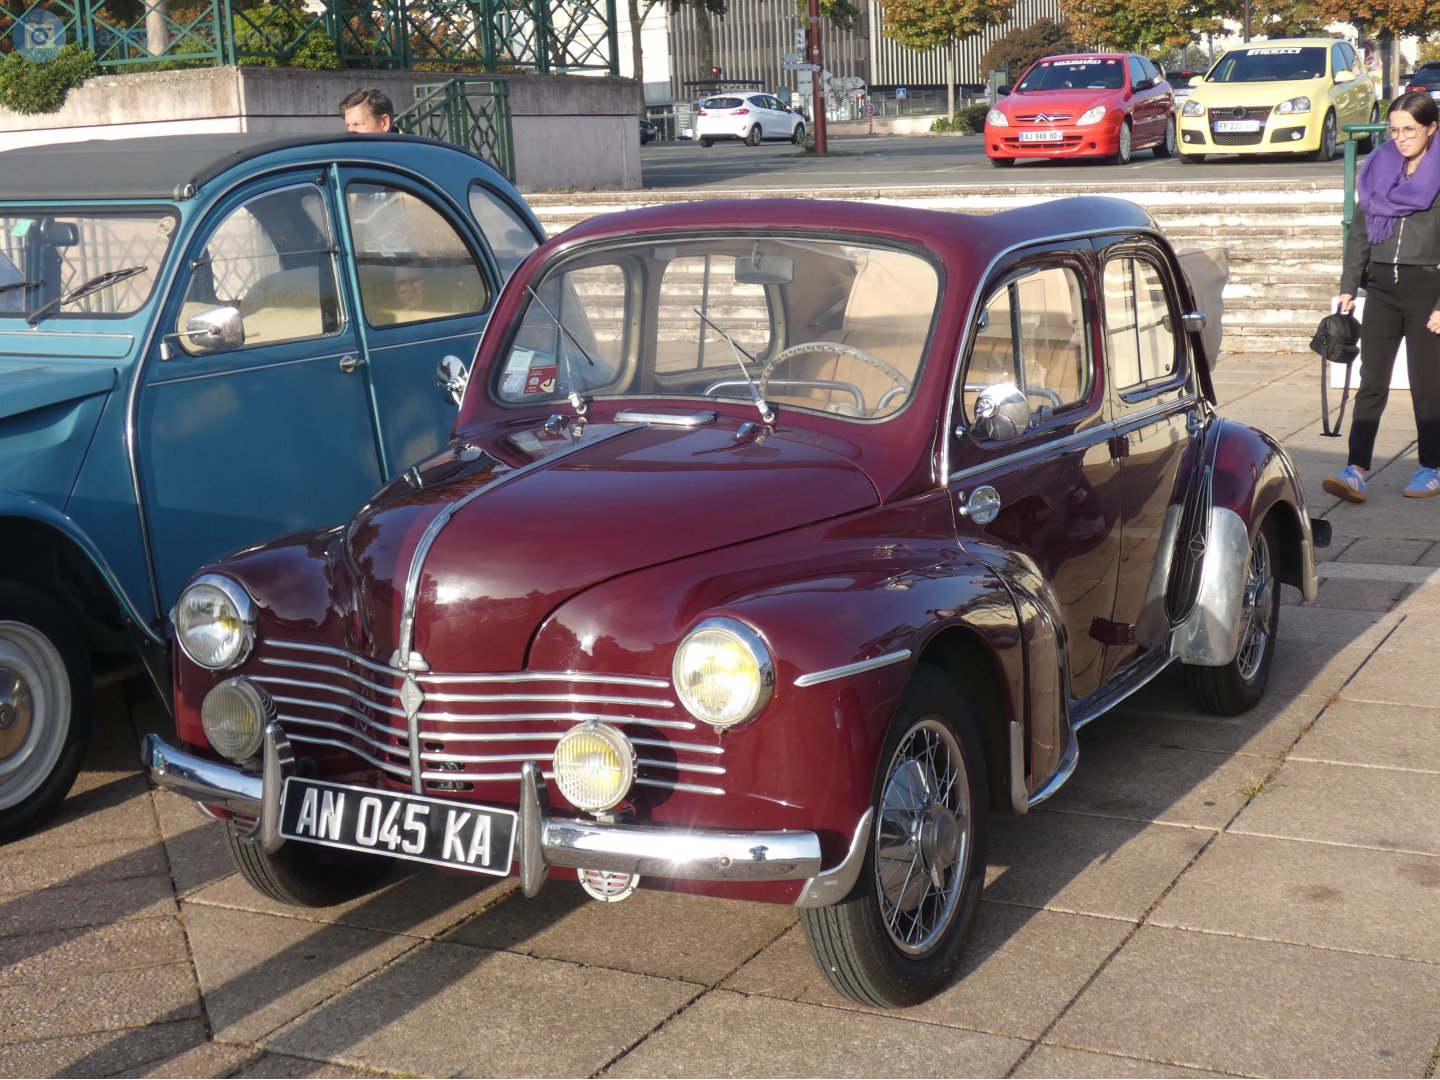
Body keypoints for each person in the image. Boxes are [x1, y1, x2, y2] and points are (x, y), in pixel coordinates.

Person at [1324, 90, 1440, 502]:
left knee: (1428, 386)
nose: (1401, 138)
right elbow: (1360, 232)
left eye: (1410, 130)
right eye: (1394, 130)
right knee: (1371, 380)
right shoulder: (1378, 168)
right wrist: (1347, 286)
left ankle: (1431, 466)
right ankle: (1355, 468)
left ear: (1431, 128)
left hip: (1428, 288)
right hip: (1382, 287)